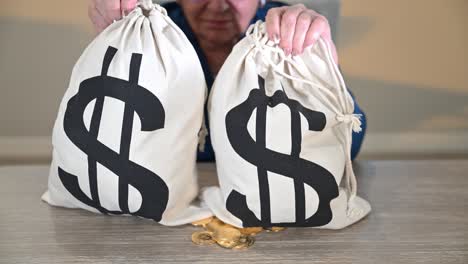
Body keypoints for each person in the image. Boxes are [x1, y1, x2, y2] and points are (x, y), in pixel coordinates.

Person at [88, 0, 367, 161]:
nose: (219, 5)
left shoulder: (287, 33)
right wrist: (113, 46)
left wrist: (320, 70)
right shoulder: (152, 36)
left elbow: (350, 140)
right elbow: (103, 132)